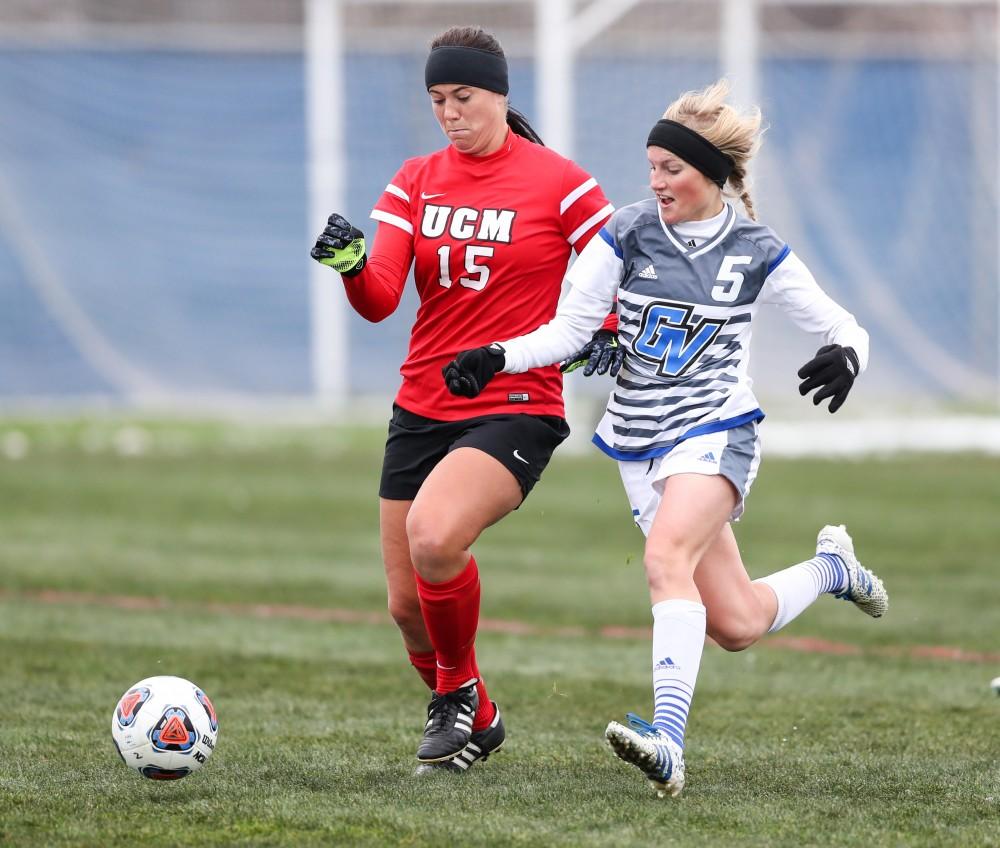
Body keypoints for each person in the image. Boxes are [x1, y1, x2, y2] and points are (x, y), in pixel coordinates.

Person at [442, 79, 889, 797]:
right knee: (737, 622)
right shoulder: (626, 231)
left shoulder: (756, 250)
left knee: (664, 557)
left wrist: (849, 355)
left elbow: (845, 326)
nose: (656, 182)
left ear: (712, 174)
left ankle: (668, 743)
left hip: (717, 428)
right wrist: (498, 355)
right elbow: (570, 332)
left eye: (671, 169)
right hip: (638, 442)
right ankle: (834, 570)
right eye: (650, 166)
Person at [309, 25, 614, 772]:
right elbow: (381, 298)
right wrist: (352, 264)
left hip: (517, 401)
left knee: (436, 538)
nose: (448, 111)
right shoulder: (414, 179)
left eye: (463, 96)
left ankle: (451, 701)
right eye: (437, 98)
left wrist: (605, 329)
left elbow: (613, 269)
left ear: (501, 96)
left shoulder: (562, 182)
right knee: (407, 607)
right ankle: (479, 712)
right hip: (422, 405)